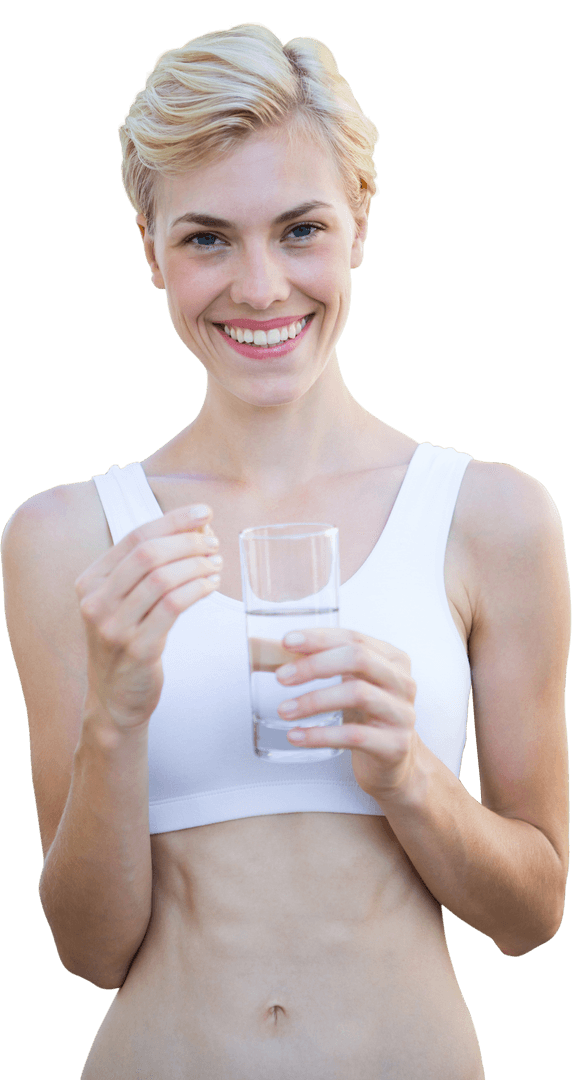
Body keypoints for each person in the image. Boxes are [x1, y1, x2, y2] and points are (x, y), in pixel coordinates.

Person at [2, 21, 569, 1080]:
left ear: (358, 223)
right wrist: (116, 717)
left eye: (299, 229)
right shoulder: (68, 537)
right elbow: (87, 951)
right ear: (149, 251)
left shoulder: (490, 518)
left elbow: (530, 913)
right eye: (206, 238)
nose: (259, 288)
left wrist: (409, 777)